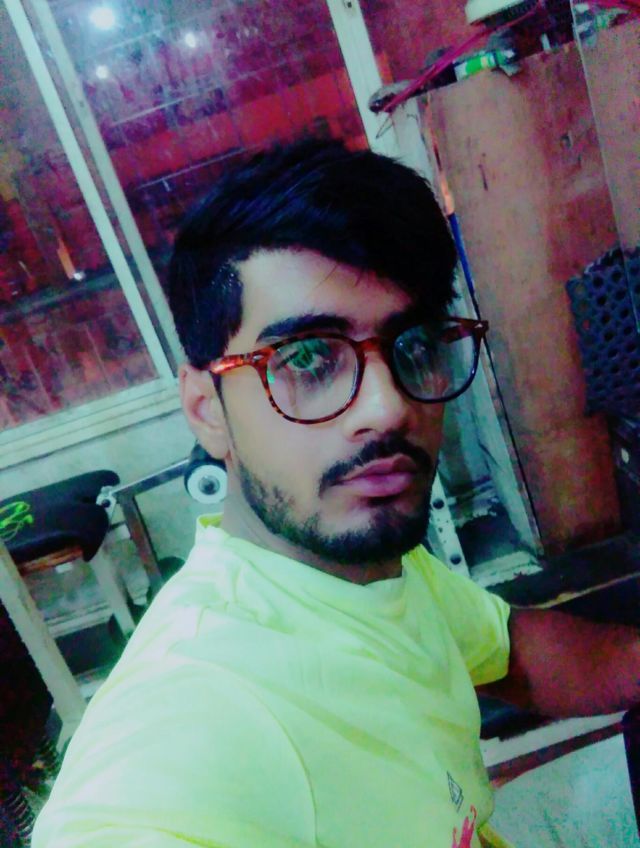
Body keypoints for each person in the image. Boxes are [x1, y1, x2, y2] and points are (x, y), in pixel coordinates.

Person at [32, 139, 640, 848]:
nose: (388, 407)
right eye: (307, 359)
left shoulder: (367, 567)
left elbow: (509, 648)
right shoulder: (191, 717)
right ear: (206, 409)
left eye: (414, 346)